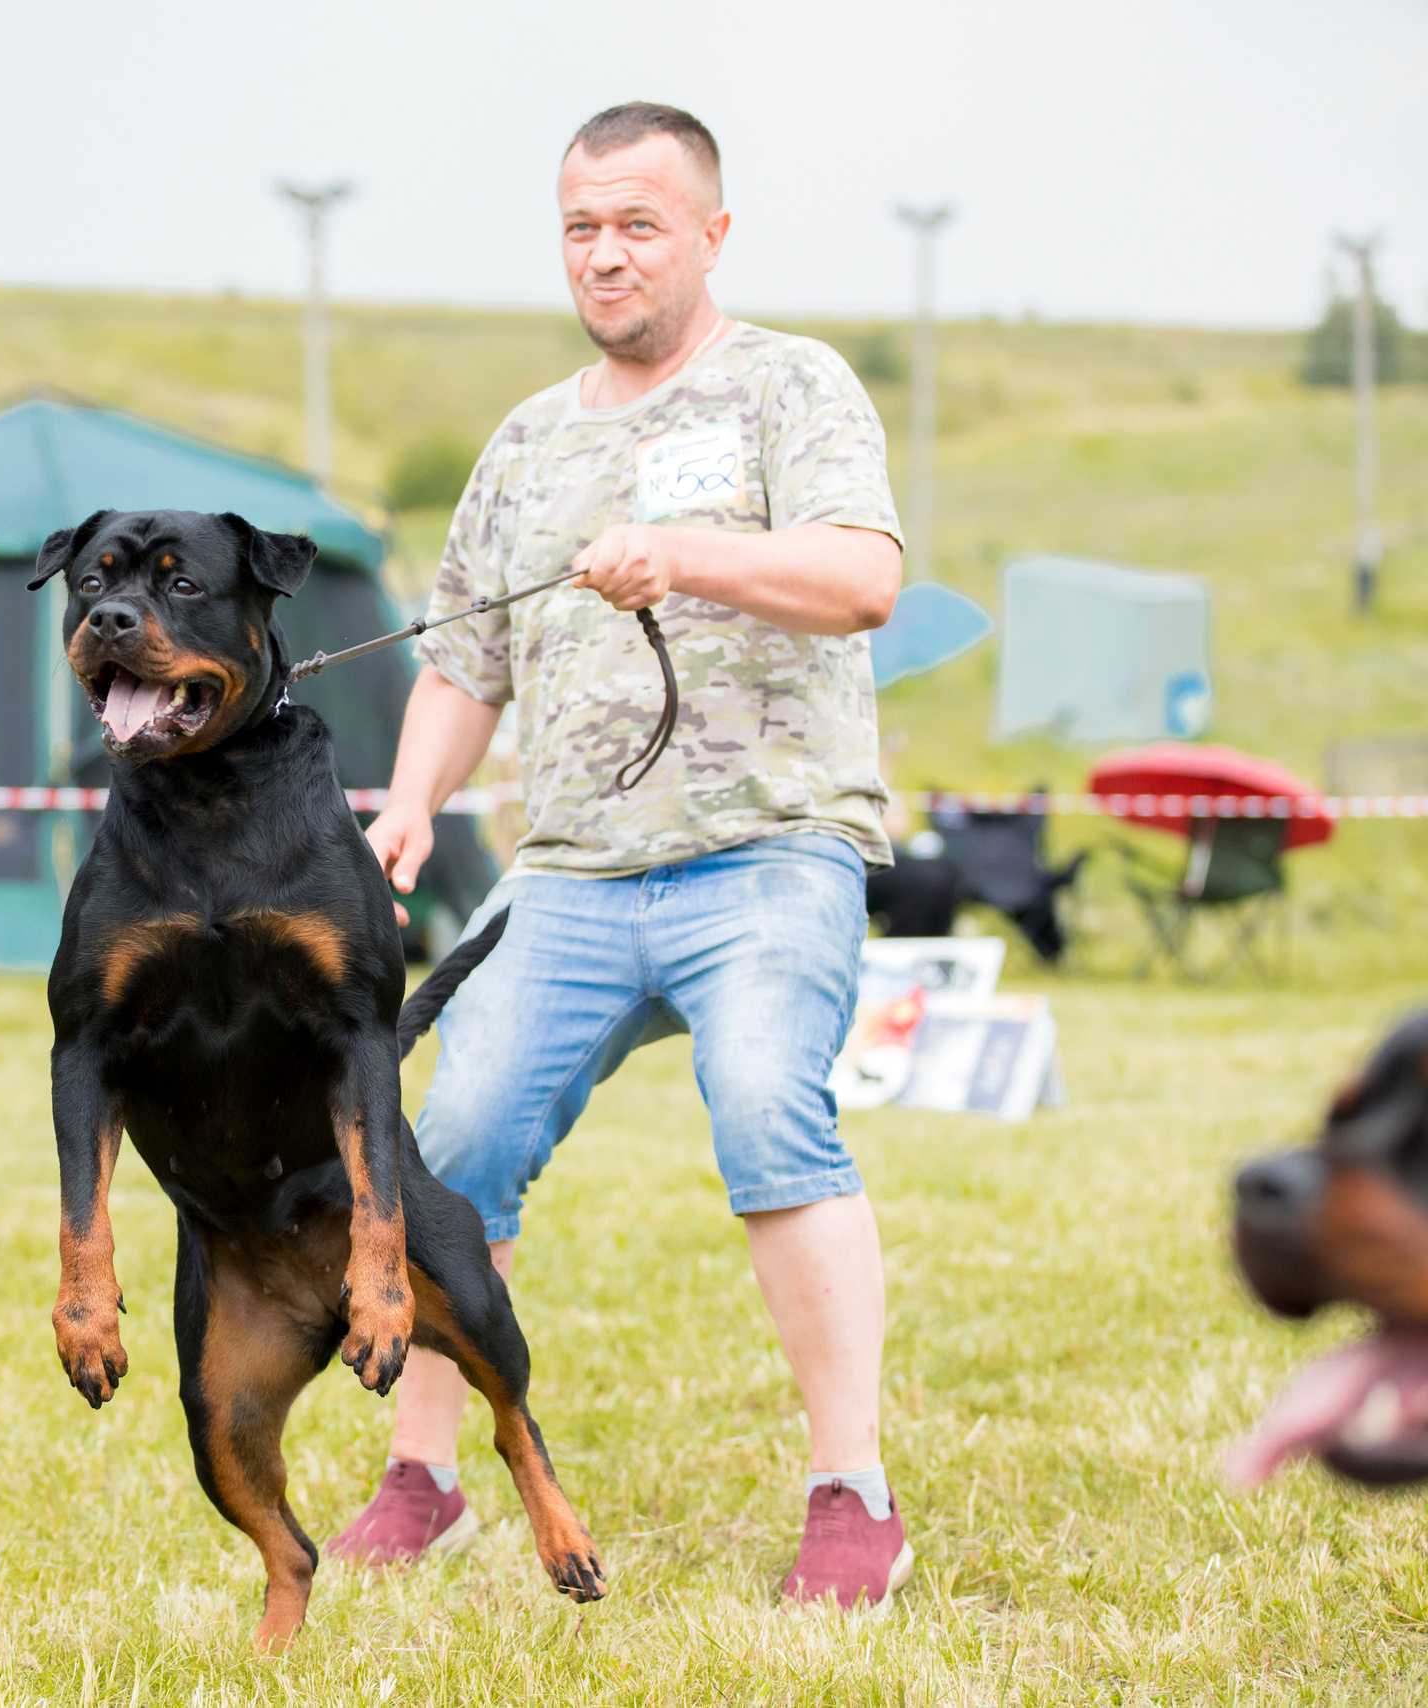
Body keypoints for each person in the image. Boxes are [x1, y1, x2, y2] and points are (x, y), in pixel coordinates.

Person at [321, 102, 911, 1608]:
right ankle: (427, 1480)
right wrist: (411, 801)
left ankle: (853, 1497)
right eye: (581, 226)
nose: (605, 253)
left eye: (639, 223)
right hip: (569, 875)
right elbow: (464, 663)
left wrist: (683, 550)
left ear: (712, 234)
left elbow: (862, 580)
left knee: (770, 1108)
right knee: (454, 1146)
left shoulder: (791, 384)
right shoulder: (527, 442)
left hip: (770, 853)